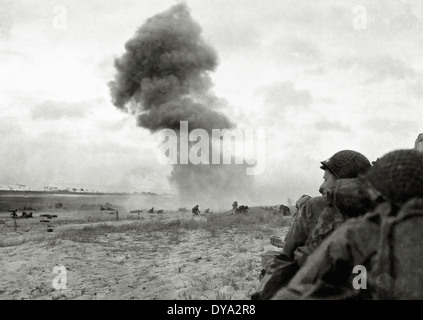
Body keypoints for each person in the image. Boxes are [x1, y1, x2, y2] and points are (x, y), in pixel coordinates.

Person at [272, 149, 423, 300]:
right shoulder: (323, 212)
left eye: (326, 179)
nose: (322, 187)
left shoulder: (357, 232)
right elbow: (287, 259)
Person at [252, 150, 371, 300]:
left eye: (327, 179)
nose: (321, 186)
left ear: (344, 182)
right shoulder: (315, 208)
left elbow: (285, 260)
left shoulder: (315, 207)